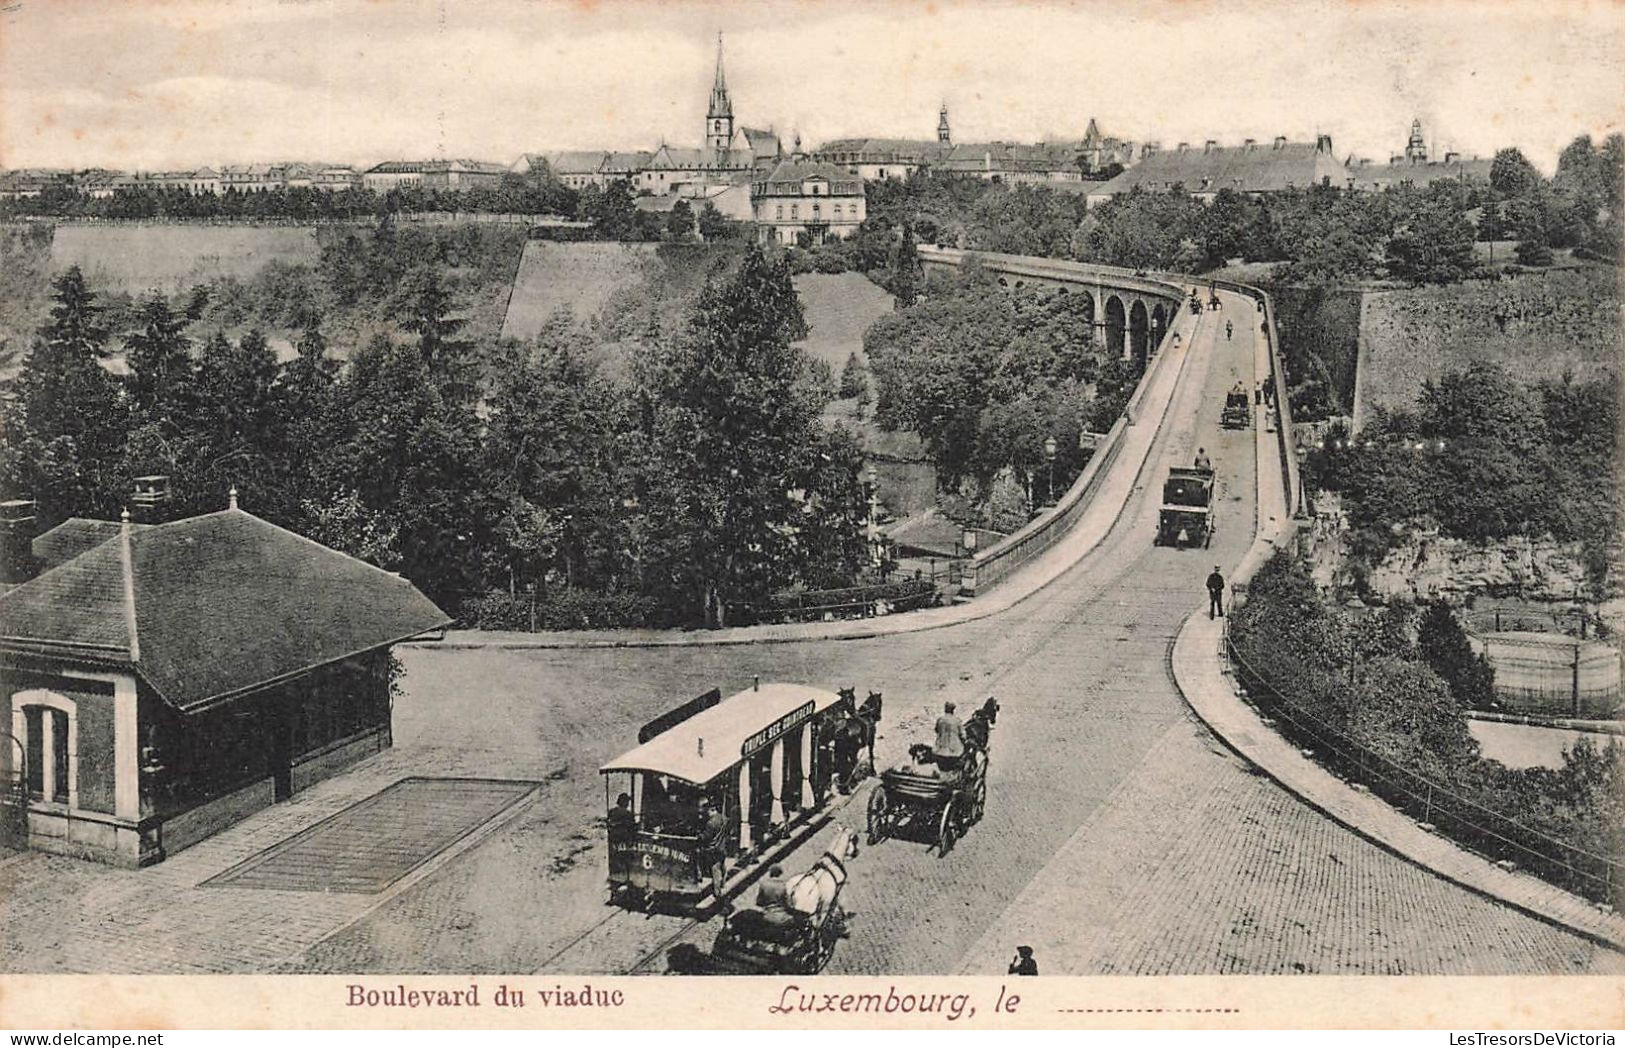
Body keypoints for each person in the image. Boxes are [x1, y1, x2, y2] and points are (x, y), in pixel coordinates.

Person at [697, 797, 731, 912]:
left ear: (712, 809)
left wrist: (699, 836)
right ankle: (723, 885)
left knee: (715, 870)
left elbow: (705, 837)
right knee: (722, 867)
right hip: (722, 848)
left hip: (713, 850)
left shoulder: (711, 823)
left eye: (708, 811)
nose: (707, 813)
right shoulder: (724, 818)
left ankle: (718, 893)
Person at [934, 701, 966, 773]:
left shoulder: (940, 720)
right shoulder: (957, 721)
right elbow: (963, 735)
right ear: (953, 710)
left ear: (945, 709)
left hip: (939, 750)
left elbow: (936, 730)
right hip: (954, 752)